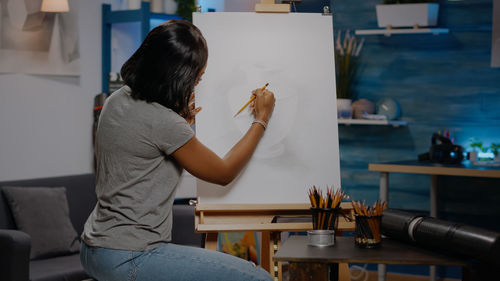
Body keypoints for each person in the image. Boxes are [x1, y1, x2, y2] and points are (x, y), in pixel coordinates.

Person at [80, 20, 275, 281]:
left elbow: (142, 155)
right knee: (258, 278)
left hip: (94, 248)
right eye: (196, 78)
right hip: (130, 255)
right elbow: (223, 172)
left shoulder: (116, 100)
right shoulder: (163, 121)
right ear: (177, 76)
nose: (196, 85)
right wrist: (261, 119)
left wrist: (179, 122)